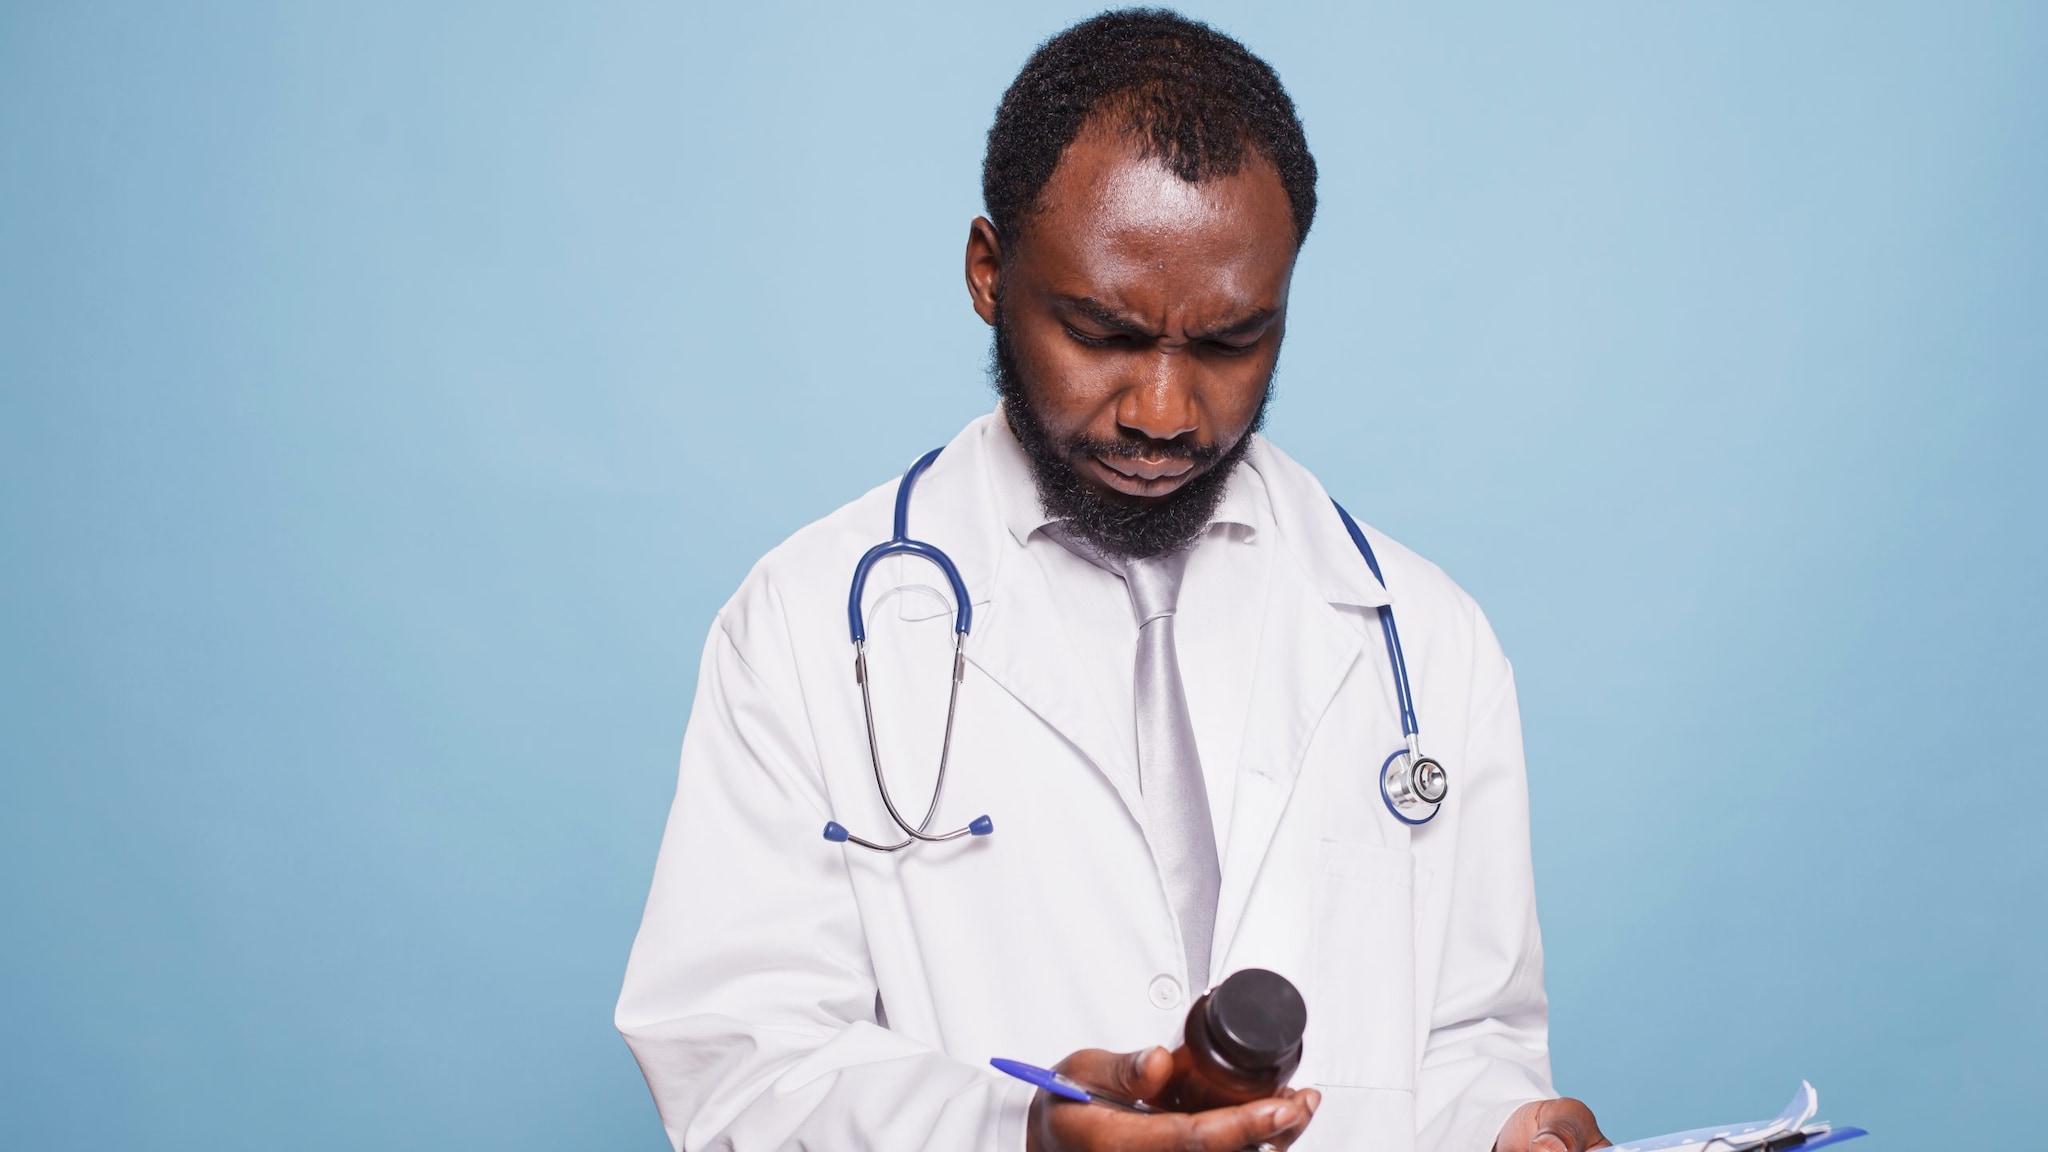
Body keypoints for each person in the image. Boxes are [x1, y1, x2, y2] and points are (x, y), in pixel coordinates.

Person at [617, 10, 1611, 1152]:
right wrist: (1023, 1136)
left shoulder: (1423, 639)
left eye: (1233, 343)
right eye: (1099, 331)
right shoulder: (798, 626)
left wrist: (1505, 1127)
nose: (1161, 413)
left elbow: (1465, 1038)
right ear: (989, 275)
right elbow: (740, 1074)